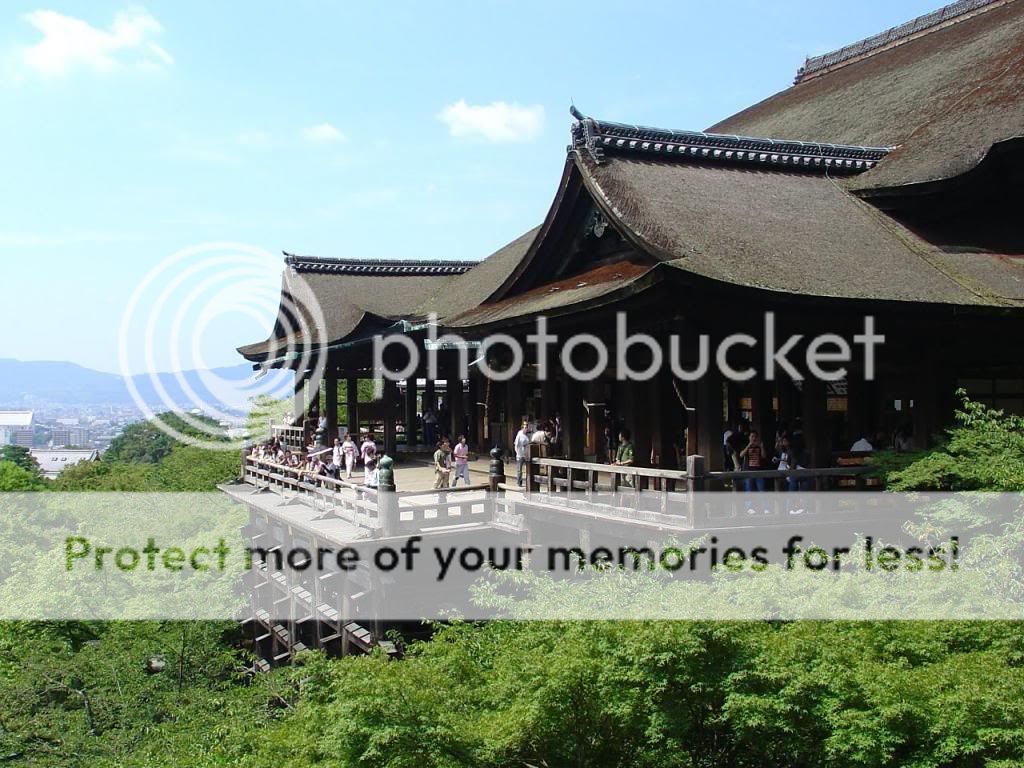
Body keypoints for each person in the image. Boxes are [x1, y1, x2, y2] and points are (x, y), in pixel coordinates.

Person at [514, 421, 531, 487]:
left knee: (528, 469)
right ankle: (519, 482)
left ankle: (528, 482)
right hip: (520, 455)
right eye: (525, 427)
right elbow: (516, 444)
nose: (526, 428)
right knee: (519, 470)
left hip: (526, 454)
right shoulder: (519, 434)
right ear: (522, 427)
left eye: (527, 427)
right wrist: (517, 452)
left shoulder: (526, 435)